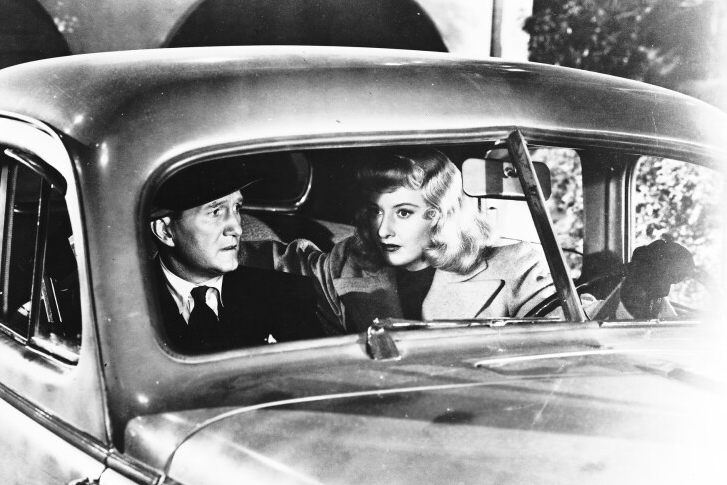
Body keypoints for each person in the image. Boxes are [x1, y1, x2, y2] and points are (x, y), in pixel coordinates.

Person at [242, 148, 692, 332]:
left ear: (438, 216)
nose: (384, 230)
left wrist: (638, 293)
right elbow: (282, 260)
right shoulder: (351, 260)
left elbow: (579, 327)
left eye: (403, 213)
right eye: (377, 212)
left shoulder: (514, 266)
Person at [149, 159, 325, 354]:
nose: (237, 229)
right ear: (165, 231)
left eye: (237, 208)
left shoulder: (286, 295)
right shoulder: (132, 309)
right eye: (216, 211)